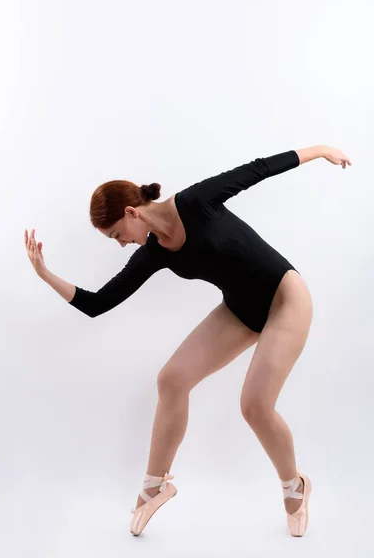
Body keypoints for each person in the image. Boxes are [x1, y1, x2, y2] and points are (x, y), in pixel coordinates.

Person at [24, 144, 351, 538]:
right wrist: (45, 274)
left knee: (254, 406)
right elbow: (99, 303)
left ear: (131, 212)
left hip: (286, 298)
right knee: (171, 380)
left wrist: (319, 151)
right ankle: (154, 485)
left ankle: (294, 487)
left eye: (116, 234)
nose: (120, 243)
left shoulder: (196, 202)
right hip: (240, 311)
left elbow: (258, 169)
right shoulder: (152, 253)